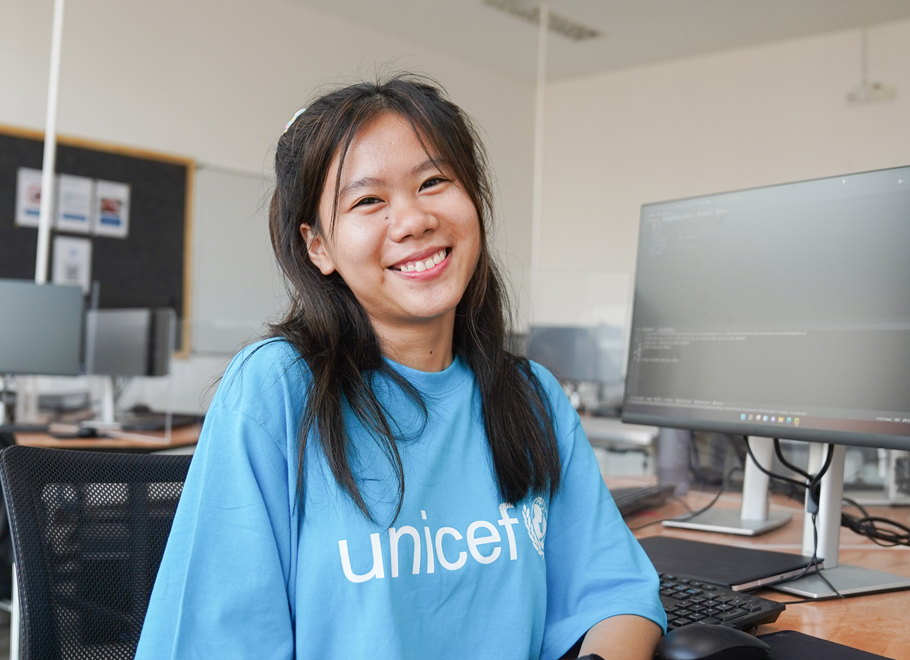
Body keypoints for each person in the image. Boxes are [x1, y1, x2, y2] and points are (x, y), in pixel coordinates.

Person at [136, 74, 665, 660]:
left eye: (434, 182)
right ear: (318, 246)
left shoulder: (531, 396)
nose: (413, 220)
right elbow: (216, 641)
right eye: (368, 201)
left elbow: (616, 593)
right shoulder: (276, 390)